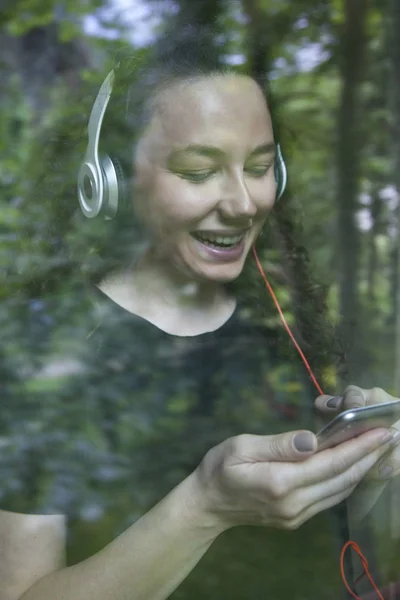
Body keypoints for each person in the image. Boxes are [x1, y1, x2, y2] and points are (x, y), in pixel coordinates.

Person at [1, 26, 400, 600]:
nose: (243, 203)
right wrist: (204, 505)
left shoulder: (275, 328)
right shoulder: (39, 357)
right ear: (108, 179)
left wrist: (359, 468)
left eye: (260, 167)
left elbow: (303, 541)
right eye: (197, 171)